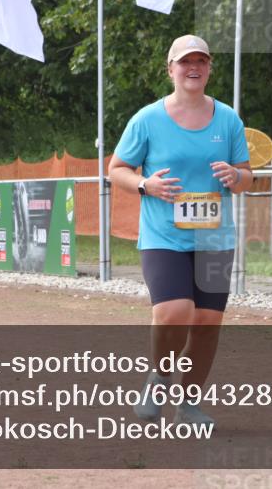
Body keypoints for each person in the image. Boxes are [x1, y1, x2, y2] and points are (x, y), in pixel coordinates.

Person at [108, 34, 252, 427]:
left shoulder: (227, 119)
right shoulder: (147, 119)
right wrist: (146, 185)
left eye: (201, 62)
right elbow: (116, 169)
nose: (194, 68)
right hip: (163, 235)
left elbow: (247, 177)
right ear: (170, 69)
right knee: (175, 312)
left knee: (207, 323)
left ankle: (188, 405)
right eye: (185, 62)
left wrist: (235, 174)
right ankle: (158, 378)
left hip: (215, 236)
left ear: (208, 69)